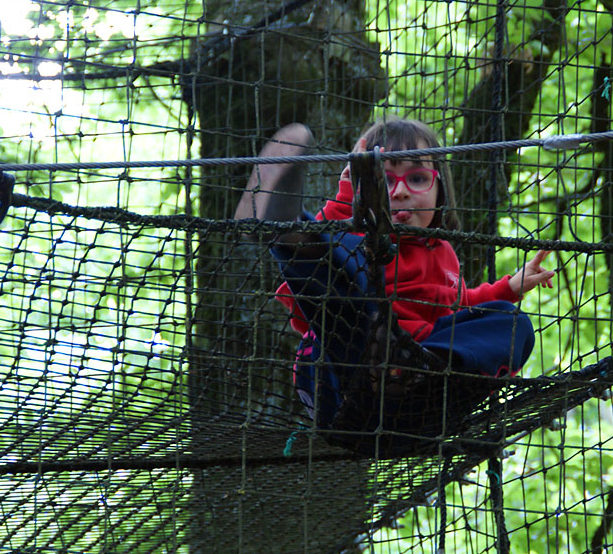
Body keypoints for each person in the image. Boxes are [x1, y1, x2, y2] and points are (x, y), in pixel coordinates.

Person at [234, 119, 554, 454]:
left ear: (440, 189)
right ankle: (285, 229)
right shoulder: (364, 237)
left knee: (512, 322)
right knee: (343, 268)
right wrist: (350, 197)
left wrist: (507, 288)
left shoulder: (444, 253)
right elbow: (333, 250)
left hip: (418, 404)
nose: (400, 190)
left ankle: (418, 370)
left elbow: (460, 305)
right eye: (384, 179)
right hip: (346, 384)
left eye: (416, 178)